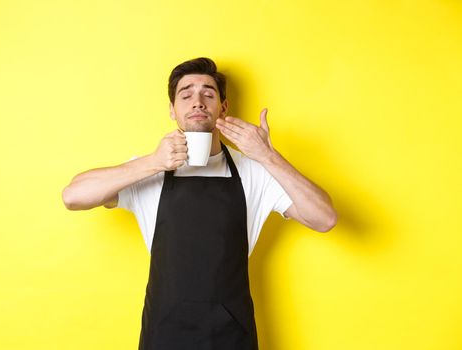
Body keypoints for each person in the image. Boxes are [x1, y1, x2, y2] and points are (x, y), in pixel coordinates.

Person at [62, 57, 338, 350]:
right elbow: (73, 196)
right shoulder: (148, 169)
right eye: (186, 95)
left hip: (231, 336)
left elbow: (324, 218)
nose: (198, 102)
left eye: (208, 94)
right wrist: (153, 162)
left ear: (224, 107)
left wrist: (268, 157)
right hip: (163, 334)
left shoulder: (254, 171)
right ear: (172, 110)